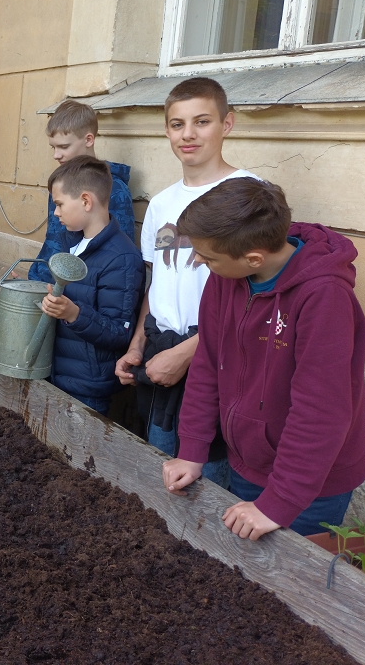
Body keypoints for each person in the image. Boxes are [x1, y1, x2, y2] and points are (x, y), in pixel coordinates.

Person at [163, 178, 365, 539]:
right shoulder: (227, 276)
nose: (198, 261)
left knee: (290, 574)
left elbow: (320, 411)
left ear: (254, 258)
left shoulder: (325, 297)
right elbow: (208, 364)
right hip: (248, 462)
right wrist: (192, 449)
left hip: (310, 488)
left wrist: (278, 502)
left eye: (208, 257)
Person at [115, 77, 257, 487]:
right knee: (161, 465)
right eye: (177, 124)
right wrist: (137, 345)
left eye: (202, 121)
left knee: (207, 476)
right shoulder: (161, 203)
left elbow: (254, 298)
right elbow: (157, 283)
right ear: (166, 130)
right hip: (160, 352)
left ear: (227, 124)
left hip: (217, 355)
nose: (188, 134)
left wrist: (187, 354)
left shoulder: (248, 196)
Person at [38, 156, 144, 414]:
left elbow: (119, 332)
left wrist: (74, 314)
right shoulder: (72, 243)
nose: (56, 212)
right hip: (61, 371)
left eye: (59, 204)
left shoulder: (122, 259)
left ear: (86, 201)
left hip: (89, 386)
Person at [28, 100, 135, 284]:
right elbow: (53, 239)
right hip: (45, 281)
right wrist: (35, 276)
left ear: (88, 140)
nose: (56, 155)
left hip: (77, 291)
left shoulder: (115, 190)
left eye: (64, 147)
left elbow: (119, 255)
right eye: (53, 147)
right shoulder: (61, 183)